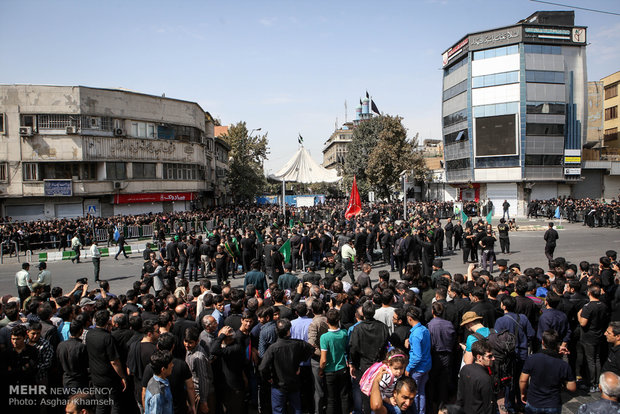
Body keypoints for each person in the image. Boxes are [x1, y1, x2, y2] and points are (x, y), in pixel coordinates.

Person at [259, 318, 315, 414]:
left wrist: (268, 378)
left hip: (278, 385)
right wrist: (300, 362)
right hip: (294, 383)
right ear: (288, 331)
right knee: (296, 408)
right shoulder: (298, 344)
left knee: (278, 410)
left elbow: (262, 367)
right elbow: (311, 349)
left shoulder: (273, 348)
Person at [519, 329, 576, 414]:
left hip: (534, 402)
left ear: (542, 342)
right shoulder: (563, 365)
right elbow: (572, 387)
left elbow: (523, 380)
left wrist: (523, 393)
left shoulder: (532, 359)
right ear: (557, 344)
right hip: (553, 404)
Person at [86, 310, 128, 414]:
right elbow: (114, 361)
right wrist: (122, 376)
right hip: (109, 378)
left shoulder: (89, 334)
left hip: (95, 376)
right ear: (107, 322)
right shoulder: (107, 337)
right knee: (115, 404)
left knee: (101, 405)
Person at [319, 308, 351, 414]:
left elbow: (323, 360)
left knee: (331, 399)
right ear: (338, 320)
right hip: (342, 369)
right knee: (344, 396)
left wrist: (320, 370)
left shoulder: (324, 337)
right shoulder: (344, 333)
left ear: (327, 321)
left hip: (329, 371)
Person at [457, 339, 497, 414]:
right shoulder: (485, 379)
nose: (493, 358)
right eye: (489, 356)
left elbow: (460, 396)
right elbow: (489, 406)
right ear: (479, 357)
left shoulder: (465, 369)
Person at [405, 306, 432, 414]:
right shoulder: (424, 329)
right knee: (421, 392)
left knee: (414, 394)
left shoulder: (416, 334)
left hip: (417, 369)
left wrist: (408, 368)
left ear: (410, 318)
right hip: (426, 366)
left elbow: (417, 356)